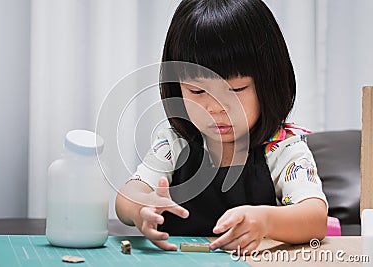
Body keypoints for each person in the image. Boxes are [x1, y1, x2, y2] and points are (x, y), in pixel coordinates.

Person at [115, 0, 328, 253]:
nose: (216, 108)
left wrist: (265, 221)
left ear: (269, 84)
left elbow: (315, 218)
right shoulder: (175, 142)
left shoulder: (282, 147)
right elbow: (127, 197)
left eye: (235, 90)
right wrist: (142, 208)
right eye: (196, 90)